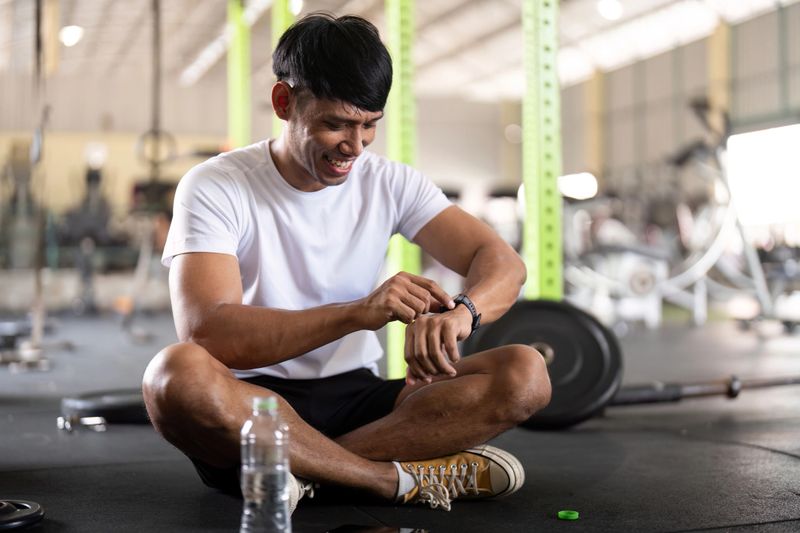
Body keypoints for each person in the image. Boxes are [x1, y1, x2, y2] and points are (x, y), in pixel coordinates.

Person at [142, 12, 551, 513]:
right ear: (283, 102)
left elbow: (502, 263)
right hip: (249, 402)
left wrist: (459, 315)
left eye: (368, 126)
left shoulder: (390, 182)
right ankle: (386, 480)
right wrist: (360, 312)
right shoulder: (216, 185)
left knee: (525, 374)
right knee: (172, 374)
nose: (354, 147)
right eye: (335, 124)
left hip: (361, 403)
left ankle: (299, 475)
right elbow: (209, 332)